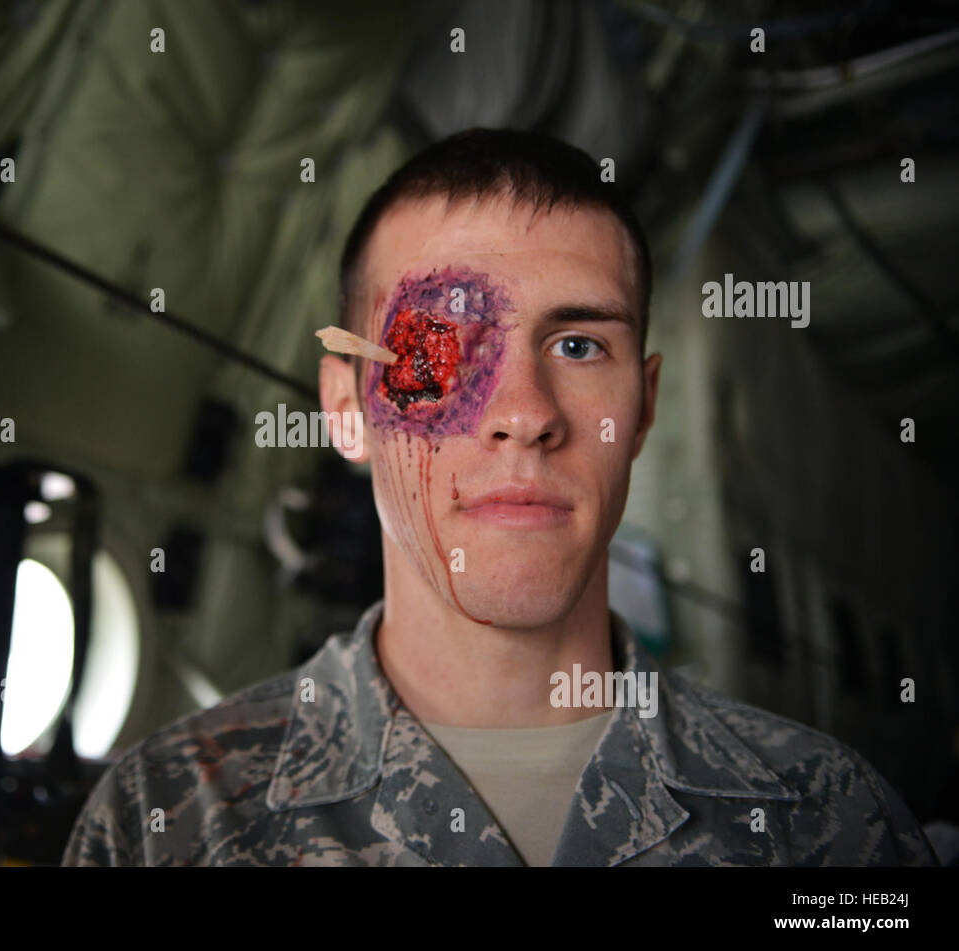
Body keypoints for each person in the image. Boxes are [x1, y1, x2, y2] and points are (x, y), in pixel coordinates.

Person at [61, 128, 937, 866]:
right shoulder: (170, 821)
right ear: (347, 412)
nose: (522, 413)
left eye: (581, 347)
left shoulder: (825, 823)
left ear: (643, 410)